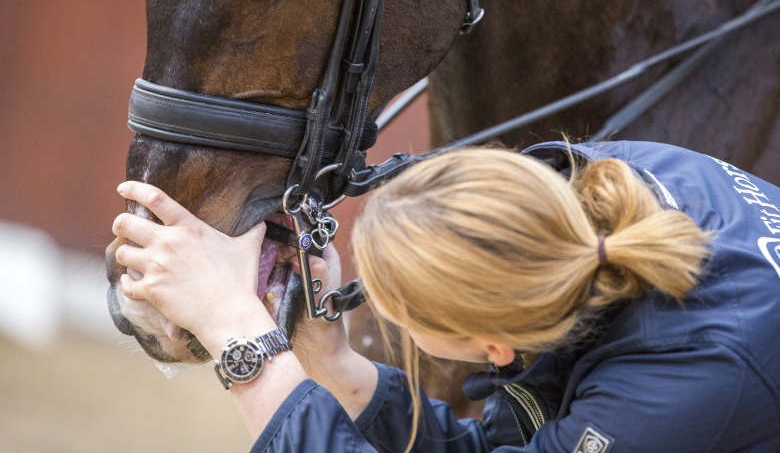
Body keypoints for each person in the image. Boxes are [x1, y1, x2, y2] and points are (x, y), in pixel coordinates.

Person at [112, 140, 780, 452]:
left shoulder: (673, 388)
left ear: (495, 346)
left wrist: (241, 337)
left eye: (398, 312)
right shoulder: (588, 194)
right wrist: (332, 362)